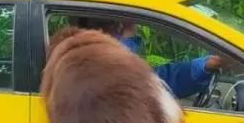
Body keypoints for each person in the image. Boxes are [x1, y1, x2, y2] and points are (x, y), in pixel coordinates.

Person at [74, 16, 223, 99]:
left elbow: (156, 81)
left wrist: (206, 65)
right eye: (119, 29)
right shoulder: (96, 71)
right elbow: (149, 83)